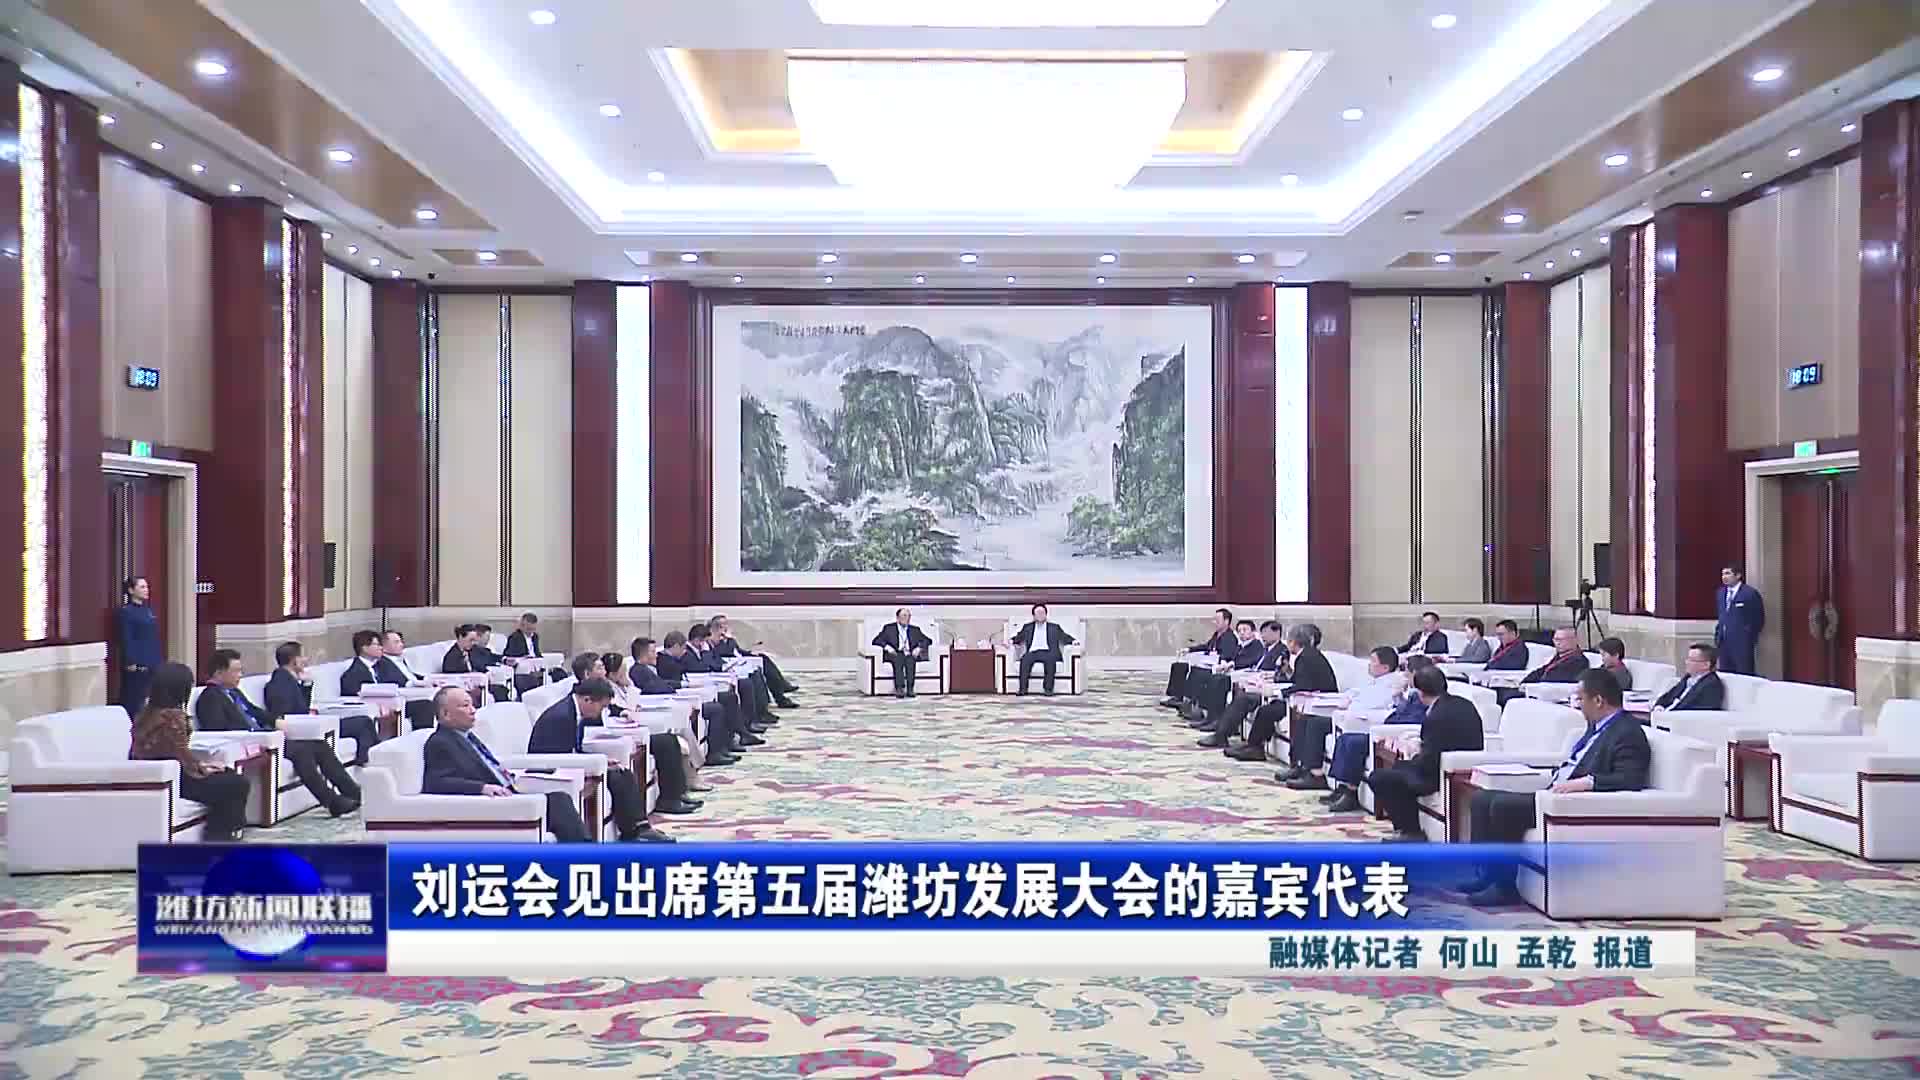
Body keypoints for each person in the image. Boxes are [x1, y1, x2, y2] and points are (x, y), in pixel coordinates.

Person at [1460, 669, 1649, 906]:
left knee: (1502, 806)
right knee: (1482, 799)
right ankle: (1486, 873)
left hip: (1571, 803)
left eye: (1580, 698)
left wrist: (1586, 783)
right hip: (1553, 791)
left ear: (1598, 700)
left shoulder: (1627, 732)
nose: (1577, 705)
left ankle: (1504, 887)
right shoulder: (1597, 726)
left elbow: (1629, 778)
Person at [195, 649, 360, 817]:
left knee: (319, 745)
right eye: (236, 671)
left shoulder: (234, 692)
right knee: (301, 752)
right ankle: (332, 802)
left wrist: (276, 721)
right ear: (219, 673)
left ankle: (353, 792)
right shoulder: (210, 697)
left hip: (267, 736)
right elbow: (218, 730)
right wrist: (256, 735)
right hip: (251, 742)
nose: (240, 675)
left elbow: (255, 711)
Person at [424, 686, 590, 842]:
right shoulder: (440, 742)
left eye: (472, 705)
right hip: (492, 804)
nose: (473, 710)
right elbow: (436, 782)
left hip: (510, 788)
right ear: (446, 714)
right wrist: (481, 788)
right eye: (465, 706)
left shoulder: (466, 735)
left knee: (560, 798)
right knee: (559, 802)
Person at [527, 676, 676, 841]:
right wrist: (590, 766)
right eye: (602, 707)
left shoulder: (575, 711)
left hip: (568, 762)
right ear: (587, 700)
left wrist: (601, 760)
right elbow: (556, 756)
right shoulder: (561, 716)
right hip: (550, 771)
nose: (601, 712)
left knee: (622, 772)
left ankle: (639, 828)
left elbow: (573, 750)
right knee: (616, 777)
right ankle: (634, 831)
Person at [131, 662, 251, 842]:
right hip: (174, 780)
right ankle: (221, 836)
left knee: (227, 777)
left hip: (158, 774)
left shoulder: (146, 712)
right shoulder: (172, 717)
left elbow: (178, 753)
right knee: (236, 783)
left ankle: (223, 833)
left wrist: (202, 765)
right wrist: (203, 769)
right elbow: (180, 754)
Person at [1364, 665, 1485, 841]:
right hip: (1463, 768)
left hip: (1439, 774)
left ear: (1421, 693)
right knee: (1399, 767)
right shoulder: (1464, 704)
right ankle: (1406, 829)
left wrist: (1413, 755)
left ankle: (1411, 831)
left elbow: (1428, 763)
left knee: (1380, 777)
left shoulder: (1436, 717)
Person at [1324, 655, 1439, 812]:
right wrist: (1398, 697)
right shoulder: (1412, 694)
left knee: (1353, 743)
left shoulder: (1422, 696)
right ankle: (1342, 787)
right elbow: (1399, 710)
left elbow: (1413, 719)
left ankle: (1351, 793)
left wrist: (1388, 725)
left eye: (1407, 673)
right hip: (1388, 727)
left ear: (1415, 674)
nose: (1404, 676)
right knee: (1345, 738)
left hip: (1396, 733)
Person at [1283, 646, 1402, 792]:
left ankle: (1316, 774)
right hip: (1348, 718)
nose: (1369, 664)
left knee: (1316, 724)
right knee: (1307, 719)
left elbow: (1371, 705)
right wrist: (1348, 699)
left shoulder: (1391, 685)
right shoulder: (1375, 680)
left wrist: (1350, 704)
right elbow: (1354, 692)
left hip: (1362, 723)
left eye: (1373, 661)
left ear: (1385, 667)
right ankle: (1301, 766)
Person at [604, 649, 712, 796]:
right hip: (630, 725)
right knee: (675, 736)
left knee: (682, 725)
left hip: (638, 716)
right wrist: (630, 696)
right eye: (623, 672)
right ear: (612, 674)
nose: (626, 674)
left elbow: (636, 699)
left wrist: (628, 686)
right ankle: (692, 775)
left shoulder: (624, 685)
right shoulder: (607, 689)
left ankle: (694, 771)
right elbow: (625, 708)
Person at [1227, 626, 1337, 764]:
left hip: (1314, 703)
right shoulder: (1308, 654)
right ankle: (1253, 745)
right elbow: (1299, 680)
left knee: (1267, 711)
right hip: (1303, 699)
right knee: (1268, 709)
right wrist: (1286, 671)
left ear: (1293, 642)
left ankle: (1255, 748)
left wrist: (1278, 693)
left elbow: (1303, 686)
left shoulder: (1305, 657)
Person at [265, 640, 378, 766]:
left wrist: (306, 684)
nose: (306, 660)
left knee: (365, 722)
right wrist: (311, 716)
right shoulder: (279, 684)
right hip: (308, 729)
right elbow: (289, 714)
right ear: (294, 660)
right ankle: (368, 761)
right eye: (303, 656)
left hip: (313, 723)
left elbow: (302, 707)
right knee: (363, 723)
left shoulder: (289, 680)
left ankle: (367, 759)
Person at [635, 636, 737, 766]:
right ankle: (712, 754)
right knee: (715, 709)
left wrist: (682, 686)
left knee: (716, 707)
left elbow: (663, 684)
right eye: (653, 651)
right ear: (644, 654)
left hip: (672, 700)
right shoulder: (639, 671)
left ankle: (716, 751)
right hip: (661, 705)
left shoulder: (648, 669)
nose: (656, 655)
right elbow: (654, 688)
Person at [1197, 620, 1290, 748]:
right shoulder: (1266, 649)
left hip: (1268, 687)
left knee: (1243, 698)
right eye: (1262, 633)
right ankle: (1219, 727)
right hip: (1255, 679)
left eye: (1266, 633)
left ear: (1276, 633)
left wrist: (1269, 676)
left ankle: (1222, 734)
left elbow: (1283, 675)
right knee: (1232, 687)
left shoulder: (1282, 651)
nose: (1263, 636)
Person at [343, 629, 436, 731]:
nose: (381, 648)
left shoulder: (382, 665)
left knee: (425, 705)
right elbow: (354, 695)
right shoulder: (353, 673)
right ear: (364, 648)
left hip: (394, 704)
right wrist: (378, 705)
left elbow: (397, 683)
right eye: (377, 645)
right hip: (374, 708)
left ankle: (423, 737)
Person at [708, 615, 800, 707]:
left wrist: (751, 653)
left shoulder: (730, 640)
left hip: (741, 661)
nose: (726, 626)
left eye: (726, 624)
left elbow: (739, 651)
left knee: (762, 657)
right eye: (723, 624)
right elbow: (723, 653)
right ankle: (781, 694)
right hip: (730, 666)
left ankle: (782, 690)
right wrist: (724, 640)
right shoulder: (713, 640)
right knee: (759, 668)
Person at [1187, 619, 1264, 727]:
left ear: (1253, 632)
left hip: (1243, 674)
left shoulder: (1257, 645)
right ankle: (1209, 717)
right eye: (1239, 631)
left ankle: (1217, 719)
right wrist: (1224, 662)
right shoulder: (1240, 645)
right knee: (1211, 678)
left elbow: (1250, 661)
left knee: (1218, 681)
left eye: (1245, 630)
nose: (1242, 633)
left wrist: (1232, 664)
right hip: (1232, 672)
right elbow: (1229, 656)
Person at [1162, 608, 1235, 709]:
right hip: (1206, 661)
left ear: (1226, 621)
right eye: (1214, 620)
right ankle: (1176, 696)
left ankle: (1189, 701)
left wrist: (1212, 659)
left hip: (1216, 666)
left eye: (1217, 620)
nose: (1214, 622)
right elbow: (1206, 646)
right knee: (1178, 666)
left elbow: (1226, 656)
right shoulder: (1217, 634)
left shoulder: (1230, 637)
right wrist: (1189, 649)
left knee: (1196, 671)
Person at [1500, 626, 1589, 705]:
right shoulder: (1558, 657)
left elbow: (1557, 679)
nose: (1557, 643)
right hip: (1537, 690)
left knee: (1507, 697)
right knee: (1503, 693)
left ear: (1574, 640)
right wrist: (1525, 682)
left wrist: (1533, 687)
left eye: (1561, 640)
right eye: (1555, 640)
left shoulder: (1579, 660)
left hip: (1550, 695)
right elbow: (1541, 671)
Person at [114, 576, 164, 716]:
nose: (146, 590)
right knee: (134, 701)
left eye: (147, 587)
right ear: (131, 590)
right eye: (142, 587)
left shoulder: (148, 611)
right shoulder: (126, 612)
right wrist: (130, 661)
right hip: (137, 665)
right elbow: (126, 638)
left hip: (153, 663)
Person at [1010, 603, 1077, 695]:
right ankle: (1023, 689)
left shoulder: (1054, 627)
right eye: (1038, 613)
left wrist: (1073, 641)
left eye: (1042, 613)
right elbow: (1019, 637)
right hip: (1032, 652)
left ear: (1046, 614)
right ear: (1034, 616)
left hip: (1048, 652)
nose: (1040, 615)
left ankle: (1048, 689)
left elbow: (1064, 637)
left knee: (1050, 660)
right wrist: (1010, 641)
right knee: (1024, 660)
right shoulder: (1028, 627)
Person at [1715, 565, 1765, 676]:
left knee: (1744, 674)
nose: (1724, 577)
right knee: (1726, 675)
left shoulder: (1749, 593)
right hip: (1724, 642)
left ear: (1738, 575)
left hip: (1742, 643)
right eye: (1723, 574)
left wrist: (1748, 636)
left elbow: (1758, 619)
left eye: (1728, 573)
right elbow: (1722, 616)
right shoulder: (1721, 593)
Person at [873, 607, 932, 697]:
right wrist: (887, 647)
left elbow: (928, 640)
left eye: (908, 616)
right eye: (904, 615)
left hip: (909, 653)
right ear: (897, 618)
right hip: (895, 653)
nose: (907, 618)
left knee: (911, 660)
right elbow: (876, 640)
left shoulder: (915, 630)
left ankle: (910, 689)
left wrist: (919, 648)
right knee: (898, 659)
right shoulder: (889, 628)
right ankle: (899, 688)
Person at [502, 612, 565, 692]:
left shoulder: (535, 636)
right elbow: (508, 655)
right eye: (528, 629)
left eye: (533, 629)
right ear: (522, 626)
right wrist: (524, 658)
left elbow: (537, 653)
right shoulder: (514, 637)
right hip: (524, 668)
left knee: (560, 673)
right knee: (533, 679)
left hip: (537, 665)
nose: (531, 632)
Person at [1654, 643, 1726, 711]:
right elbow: (1667, 697)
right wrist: (1659, 707)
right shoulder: (1687, 678)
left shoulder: (1712, 685)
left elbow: (1701, 710)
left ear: (1706, 665)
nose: (1686, 662)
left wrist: (1667, 715)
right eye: (1687, 659)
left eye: (1691, 660)